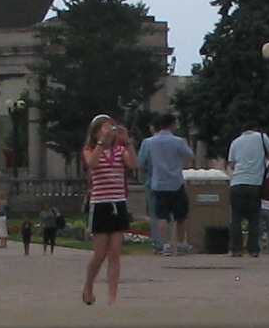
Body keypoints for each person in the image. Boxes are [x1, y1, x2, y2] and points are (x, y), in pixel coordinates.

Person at [79, 114, 134, 304]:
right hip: (100, 204)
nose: (109, 130)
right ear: (95, 132)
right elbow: (92, 163)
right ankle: (88, 286)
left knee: (115, 253)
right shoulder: (90, 150)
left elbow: (132, 163)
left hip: (118, 202)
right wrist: (102, 142)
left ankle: (112, 296)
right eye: (104, 127)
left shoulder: (120, 150)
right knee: (100, 254)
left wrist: (128, 142)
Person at [139, 118, 195, 255]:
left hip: (158, 183)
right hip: (176, 182)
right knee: (181, 216)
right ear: (172, 125)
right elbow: (190, 156)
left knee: (162, 216)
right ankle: (181, 243)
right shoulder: (178, 141)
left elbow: (142, 162)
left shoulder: (150, 142)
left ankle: (166, 245)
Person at [226, 119, 269, 258]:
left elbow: (231, 164)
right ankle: (253, 249)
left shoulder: (235, 142)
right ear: (256, 129)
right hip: (255, 184)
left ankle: (236, 249)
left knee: (236, 218)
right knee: (254, 218)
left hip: (236, 183)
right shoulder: (262, 137)